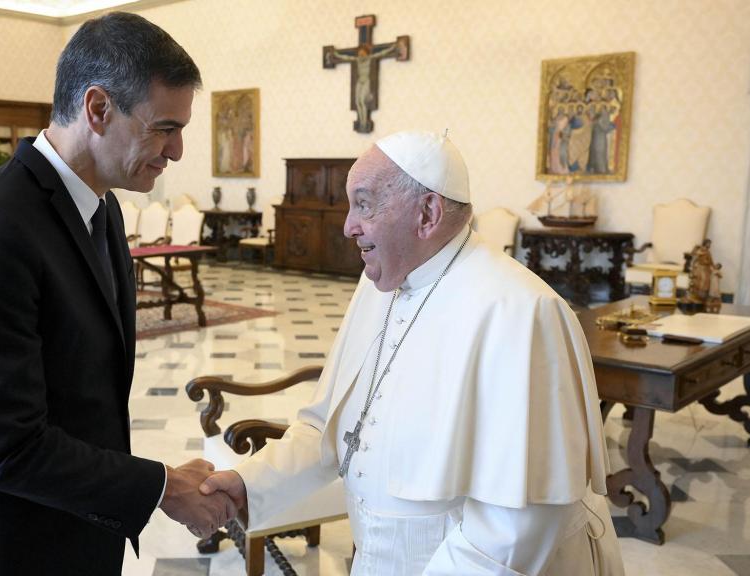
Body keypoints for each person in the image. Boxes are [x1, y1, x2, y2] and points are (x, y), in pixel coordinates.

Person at [202, 131, 625, 575]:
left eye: (363, 204)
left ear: (427, 213)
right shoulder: (379, 283)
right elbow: (329, 428)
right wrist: (247, 484)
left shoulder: (522, 312)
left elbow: (518, 523)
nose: (348, 225)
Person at [0, 13, 236, 576]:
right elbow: (6, 448)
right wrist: (160, 487)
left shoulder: (103, 206)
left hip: (80, 528)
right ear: (97, 108)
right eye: (164, 127)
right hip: (7, 546)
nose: (178, 150)